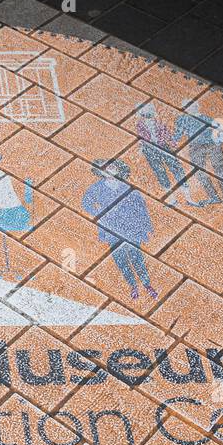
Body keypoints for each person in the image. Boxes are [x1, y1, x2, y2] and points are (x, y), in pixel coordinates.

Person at [82, 158, 156, 300]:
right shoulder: (97, 187)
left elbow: (141, 208)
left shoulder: (128, 187)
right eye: (104, 168)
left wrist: (147, 225)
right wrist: (99, 214)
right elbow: (86, 203)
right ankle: (133, 285)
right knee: (121, 259)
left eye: (112, 167)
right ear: (100, 172)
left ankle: (147, 285)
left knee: (137, 258)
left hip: (130, 228)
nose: (108, 170)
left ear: (118, 169)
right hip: (112, 229)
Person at [179, 102, 223, 208]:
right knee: (199, 172)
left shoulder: (207, 118)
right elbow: (178, 134)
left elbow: (219, 132)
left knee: (220, 172)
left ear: (197, 107)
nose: (188, 109)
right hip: (195, 147)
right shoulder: (184, 120)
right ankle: (214, 196)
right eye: (187, 107)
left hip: (211, 145)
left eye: (191, 106)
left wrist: (217, 143)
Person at [135, 103, 192, 205]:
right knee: (161, 174)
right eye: (144, 113)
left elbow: (167, 134)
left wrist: (174, 145)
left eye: (149, 113)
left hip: (164, 147)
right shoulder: (140, 125)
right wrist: (141, 149)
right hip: (150, 150)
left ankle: (188, 198)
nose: (147, 116)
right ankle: (172, 200)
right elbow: (142, 139)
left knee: (177, 169)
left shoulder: (159, 123)